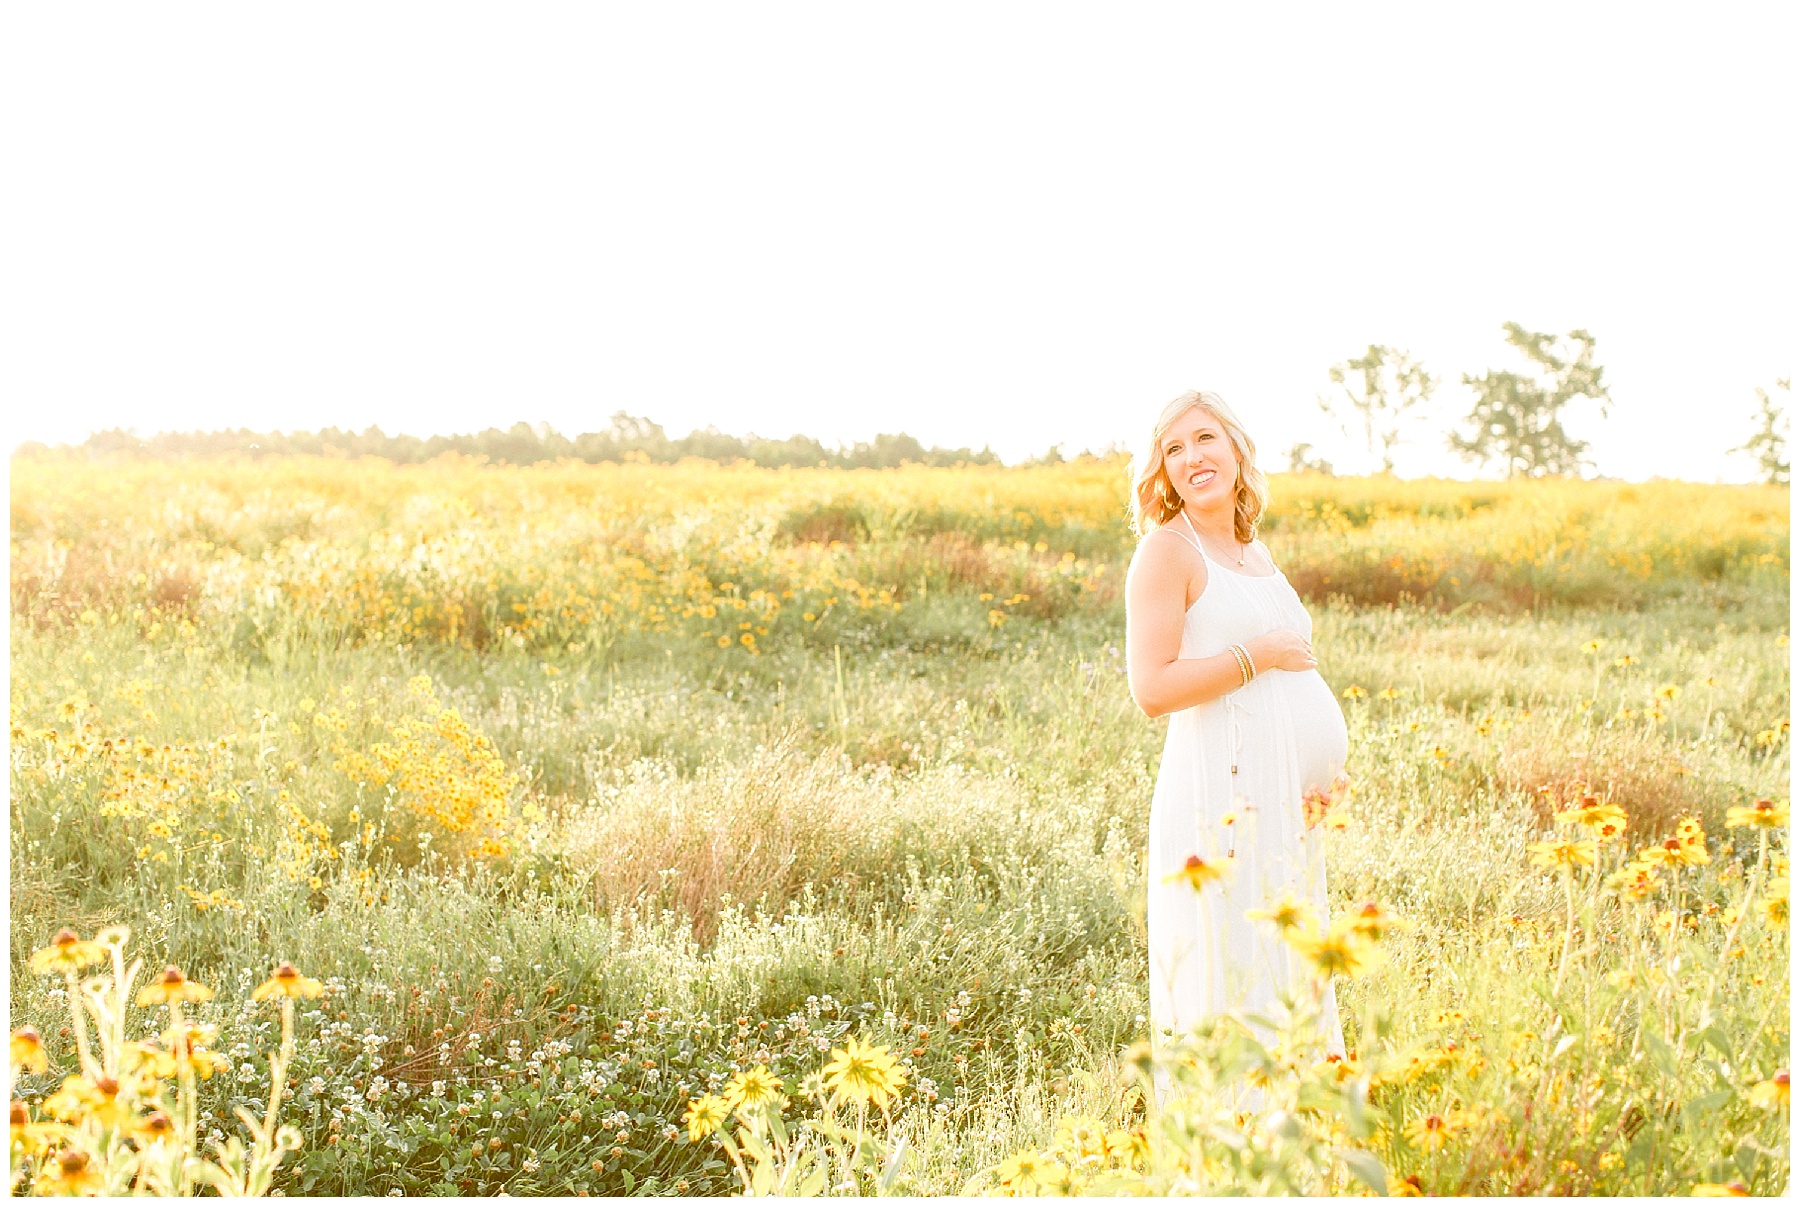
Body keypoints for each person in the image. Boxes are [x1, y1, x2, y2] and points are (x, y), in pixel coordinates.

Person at [1123, 389, 1350, 1112]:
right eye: (1175, 448)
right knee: (1232, 967)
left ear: (1237, 449)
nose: (1193, 457)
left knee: (1286, 964)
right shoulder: (1166, 551)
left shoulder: (1254, 549)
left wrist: (1326, 769)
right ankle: (1229, 1156)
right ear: (1161, 471)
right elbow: (1152, 688)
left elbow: (1296, 673)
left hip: (1286, 804)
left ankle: (1298, 1145)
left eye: (1205, 439)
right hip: (1218, 800)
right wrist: (1255, 655)